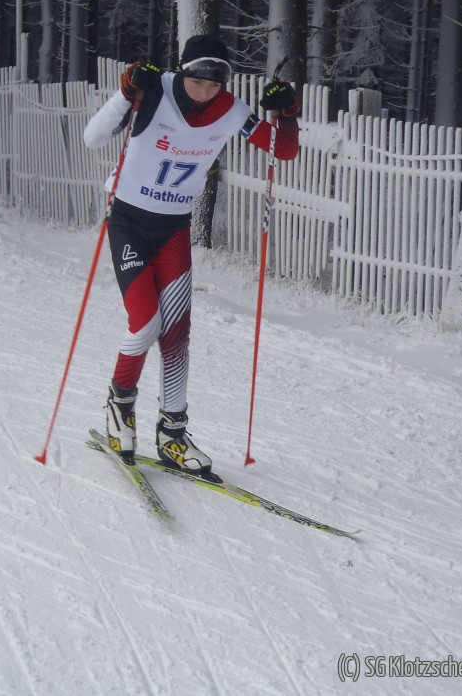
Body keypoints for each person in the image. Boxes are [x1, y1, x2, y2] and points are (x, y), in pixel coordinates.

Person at [83, 34, 300, 477]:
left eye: (214, 83)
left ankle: (173, 434)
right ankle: (120, 406)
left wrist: (288, 112)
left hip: (173, 228)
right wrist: (126, 92)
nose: (204, 91)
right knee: (146, 323)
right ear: (182, 71)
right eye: (197, 80)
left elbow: (283, 150)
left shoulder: (231, 110)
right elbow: (93, 138)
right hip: (128, 221)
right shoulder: (153, 89)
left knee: (177, 332)